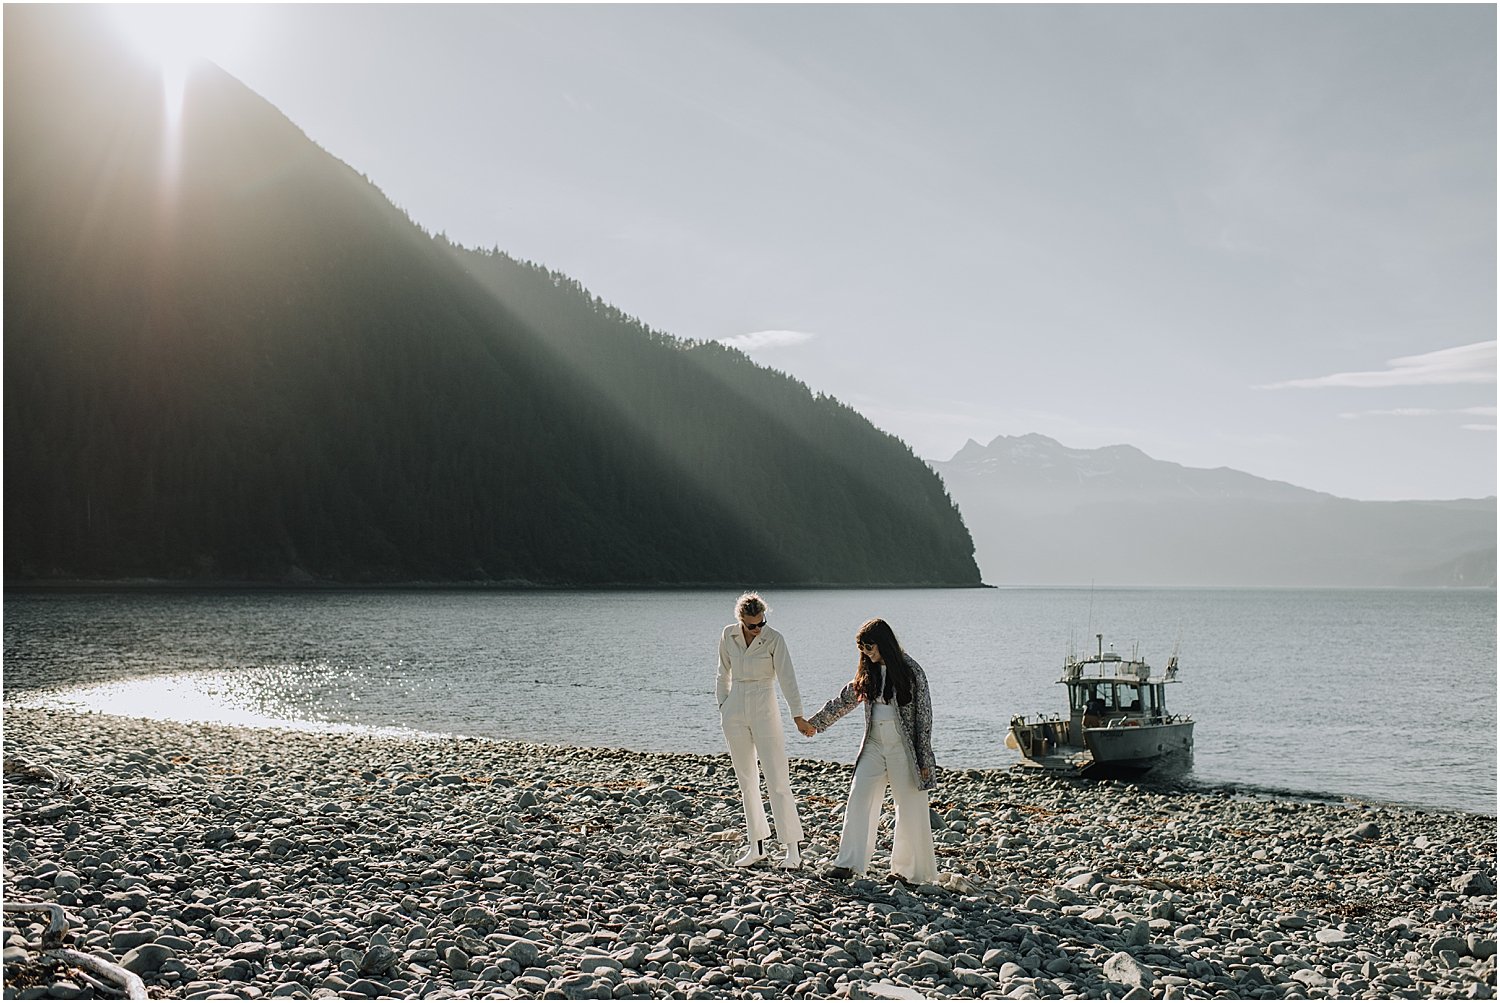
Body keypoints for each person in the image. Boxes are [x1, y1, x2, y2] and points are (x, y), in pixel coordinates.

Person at [800, 617, 938, 887]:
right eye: (862, 648)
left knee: (909, 807)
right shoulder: (868, 671)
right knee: (859, 797)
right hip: (873, 744)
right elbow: (845, 700)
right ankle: (848, 863)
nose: (866, 653)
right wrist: (814, 724)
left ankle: (908, 872)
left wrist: (924, 759)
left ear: (884, 643)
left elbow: (925, 719)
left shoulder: (912, 671)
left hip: (904, 747)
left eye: (870, 647)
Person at [717, 592, 811, 869]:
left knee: (777, 779)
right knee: (747, 781)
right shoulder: (728, 635)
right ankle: (756, 846)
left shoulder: (774, 639)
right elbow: (722, 673)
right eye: (752, 625)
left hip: (764, 704)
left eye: (761, 623)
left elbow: (788, 678)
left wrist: (798, 715)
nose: (758, 629)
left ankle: (792, 850)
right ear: (741, 621)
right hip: (735, 706)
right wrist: (723, 705)